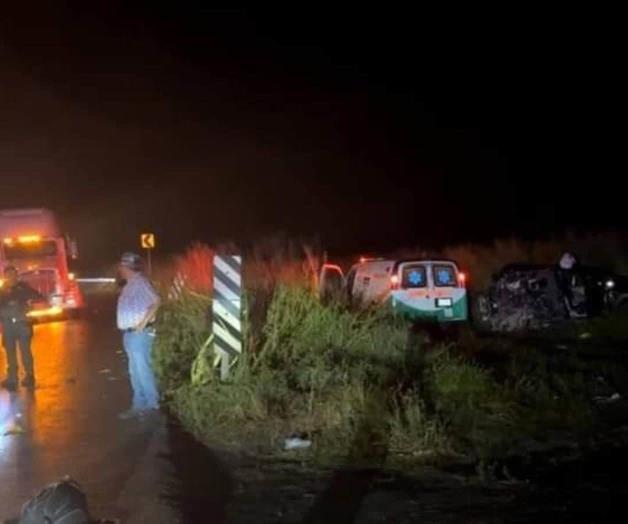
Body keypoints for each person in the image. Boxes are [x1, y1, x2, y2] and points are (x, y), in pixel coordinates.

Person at [116, 252, 161, 419]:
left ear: (128, 267)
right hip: (130, 334)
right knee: (135, 371)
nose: (119, 269)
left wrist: (142, 325)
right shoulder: (129, 284)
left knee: (142, 370)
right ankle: (140, 403)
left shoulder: (140, 282)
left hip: (138, 334)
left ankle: (151, 403)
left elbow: (156, 301)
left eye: (122, 266)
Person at [0, 265, 43, 390]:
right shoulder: (2, 290)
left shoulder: (24, 288)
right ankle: (12, 379)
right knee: (10, 352)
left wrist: (29, 309)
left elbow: (39, 298)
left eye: (13, 274)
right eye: (8, 275)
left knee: (25, 352)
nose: (11, 277)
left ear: (17, 276)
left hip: (22, 324)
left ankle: (30, 376)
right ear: (5, 276)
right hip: (8, 326)